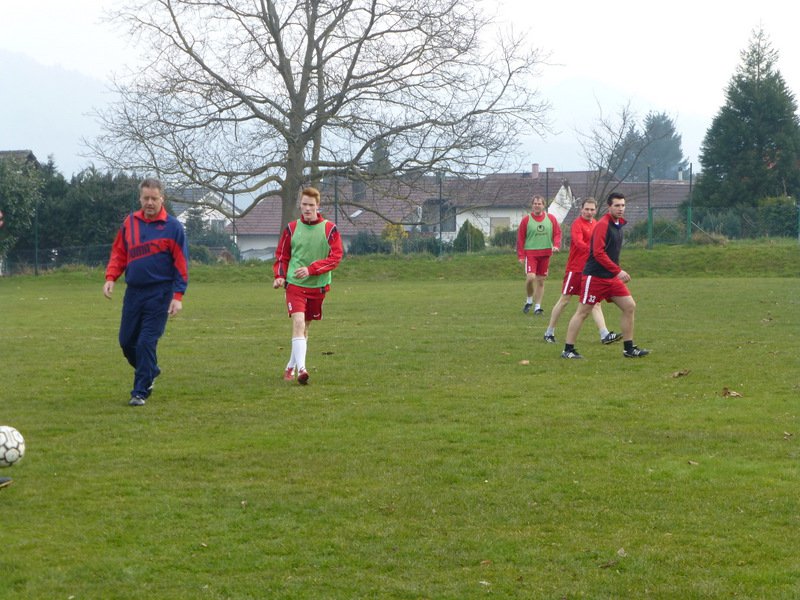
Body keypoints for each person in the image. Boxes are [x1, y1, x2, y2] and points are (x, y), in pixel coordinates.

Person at [103, 178, 189, 406]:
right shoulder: (130, 222)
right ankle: (149, 369)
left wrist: (178, 296)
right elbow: (119, 253)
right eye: (146, 198)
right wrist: (111, 277)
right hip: (134, 293)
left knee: (145, 343)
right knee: (126, 342)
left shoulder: (173, 227)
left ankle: (140, 391)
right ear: (140, 198)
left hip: (160, 294)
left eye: (154, 198)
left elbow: (181, 264)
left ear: (162, 199)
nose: (149, 202)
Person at [561, 192, 650, 359]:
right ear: (609, 207)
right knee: (583, 312)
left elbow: (612, 253)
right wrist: (618, 271)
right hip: (594, 277)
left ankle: (629, 349)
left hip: (610, 278)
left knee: (629, 306)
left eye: (623, 205)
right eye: (617, 205)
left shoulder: (618, 225)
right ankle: (568, 350)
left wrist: (614, 272)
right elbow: (598, 253)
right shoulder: (603, 224)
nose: (620, 208)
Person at [273, 187, 343, 385]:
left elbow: (335, 257)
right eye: (304, 204)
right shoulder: (291, 228)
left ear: (318, 206)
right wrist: (280, 276)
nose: (307, 208)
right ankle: (302, 370)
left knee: (304, 328)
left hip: (318, 286)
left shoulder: (329, 229)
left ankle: (290, 366)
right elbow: (282, 255)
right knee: (298, 323)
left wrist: (311, 269)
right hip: (295, 285)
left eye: (311, 205)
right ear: (300, 205)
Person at [543, 197, 621, 345]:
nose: (589, 212)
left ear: (596, 210)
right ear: (581, 209)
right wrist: (595, 251)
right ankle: (549, 332)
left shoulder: (597, 224)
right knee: (564, 300)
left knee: (595, 303)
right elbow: (579, 243)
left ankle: (604, 334)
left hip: (590, 271)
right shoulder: (577, 224)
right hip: (576, 269)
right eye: (586, 209)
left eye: (592, 209)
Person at [516, 194, 561, 315]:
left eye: (539, 203)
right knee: (531, 278)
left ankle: (537, 307)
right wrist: (521, 255)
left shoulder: (551, 219)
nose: (537, 206)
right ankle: (529, 300)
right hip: (531, 253)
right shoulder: (526, 220)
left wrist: (556, 245)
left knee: (541, 281)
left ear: (543, 205)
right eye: (535, 203)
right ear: (532, 205)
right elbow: (520, 238)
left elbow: (557, 233)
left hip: (545, 253)